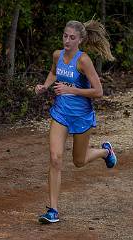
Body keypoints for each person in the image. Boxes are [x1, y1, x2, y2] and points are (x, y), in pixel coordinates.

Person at [35, 20, 117, 224]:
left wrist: (71, 90)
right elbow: (54, 72)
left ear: (80, 40)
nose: (67, 41)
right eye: (65, 36)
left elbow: (98, 92)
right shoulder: (58, 55)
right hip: (61, 113)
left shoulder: (84, 61)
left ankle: (105, 152)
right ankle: (53, 210)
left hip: (82, 116)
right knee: (55, 158)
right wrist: (45, 86)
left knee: (79, 161)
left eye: (72, 37)